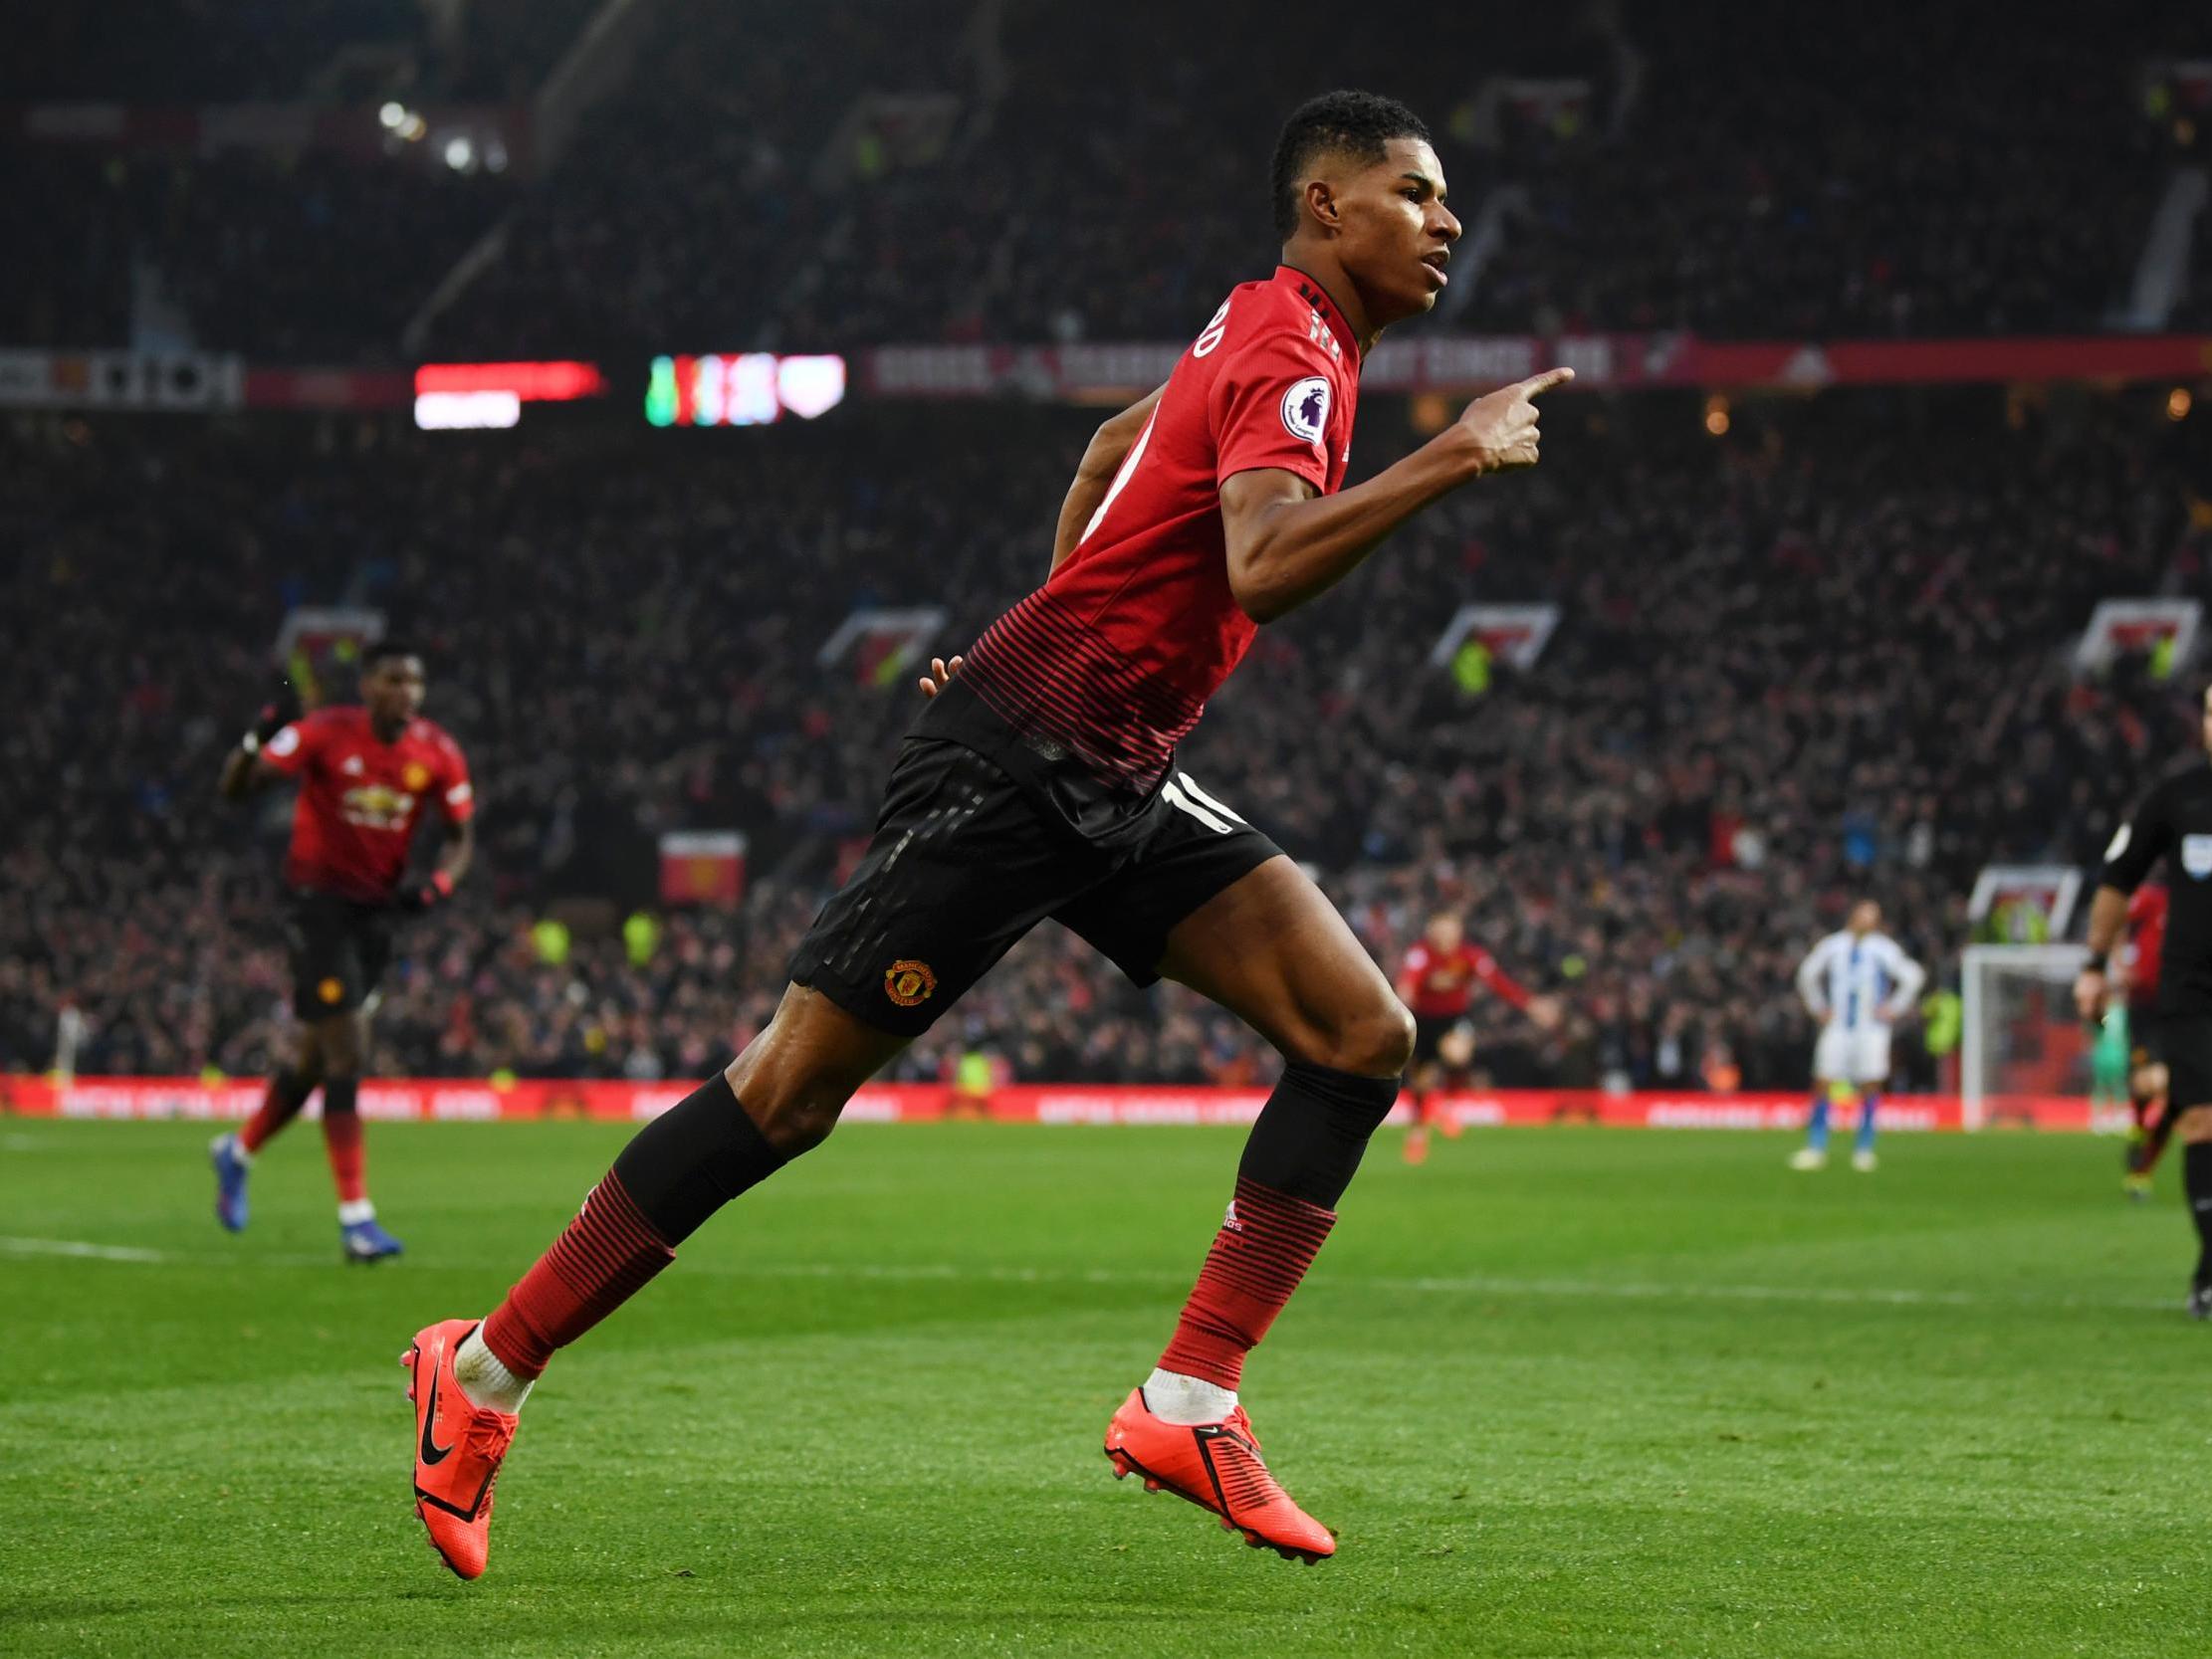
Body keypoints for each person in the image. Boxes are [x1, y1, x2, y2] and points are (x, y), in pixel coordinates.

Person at [399, 88, 1571, 1580]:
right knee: (786, 1092)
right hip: (1017, 767)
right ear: (1325, 207)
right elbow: (1264, 566)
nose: (1447, 220)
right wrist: (1456, 452)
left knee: (1358, 1032)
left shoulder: (1264, 326)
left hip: (1109, 764)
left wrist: (1048, 627)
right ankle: (482, 1369)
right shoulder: (1290, 343)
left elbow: (1101, 453)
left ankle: (1188, 1399)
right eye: (1415, 192)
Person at [209, 643, 474, 1260]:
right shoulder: (326, 732)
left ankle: (238, 1151)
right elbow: (235, 791)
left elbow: (462, 838)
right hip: (317, 907)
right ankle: (357, 1218)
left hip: (377, 917)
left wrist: (438, 885)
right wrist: (253, 742)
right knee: (348, 1048)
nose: (405, 689)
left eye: (414, 678)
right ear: (367, 684)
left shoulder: (437, 751)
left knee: (314, 1061)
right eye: (392, 677)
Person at [2073, 685, 2212, 1315]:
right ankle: (2210, 1281)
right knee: (2203, 1120)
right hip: (2194, 991)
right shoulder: (2177, 795)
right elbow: (2117, 878)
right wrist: (2095, 965)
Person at [1393, 910, 1558, 1163]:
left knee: (1457, 1054)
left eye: (1450, 930)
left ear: (1459, 932)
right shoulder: (1421, 953)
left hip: (1454, 1019)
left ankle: (1448, 1106)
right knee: (1422, 1083)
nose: (1445, 936)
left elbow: (1498, 982)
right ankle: (1418, 1133)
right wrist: (1403, 997)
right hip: (1423, 1021)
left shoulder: (1471, 955)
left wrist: (1530, 1005)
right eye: (1440, 930)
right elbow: (1408, 980)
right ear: (1432, 932)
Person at [1788, 900, 1925, 1172]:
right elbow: (1806, 974)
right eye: (1864, 914)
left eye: (1872, 916)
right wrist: (1817, 1007)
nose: (1867, 920)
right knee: (1823, 1081)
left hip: (1871, 1027)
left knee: (1870, 1083)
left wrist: (1894, 1008)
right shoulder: (1833, 945)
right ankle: (1816, 1147)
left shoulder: (1883, 949)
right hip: (1838, 1025)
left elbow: (1913, 976)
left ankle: (1864, 1149)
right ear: (1853, 916)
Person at [2117, 883, 2172, 1200]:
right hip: (2144, 1006)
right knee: (2143, 1084)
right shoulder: (2153, 898)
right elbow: (2116, 920)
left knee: (2169, 1087)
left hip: (2184, 1008)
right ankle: (2139, 1128)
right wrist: (2120, 963)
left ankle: (2142, 1170)